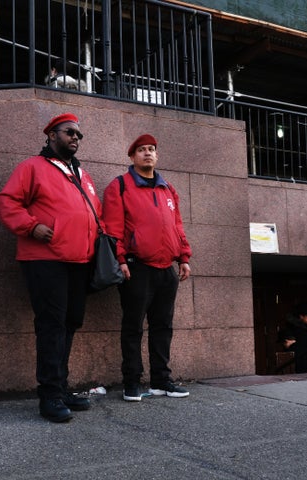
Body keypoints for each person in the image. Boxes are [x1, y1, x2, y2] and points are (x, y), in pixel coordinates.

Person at [0, 113, 99, 422]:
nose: (75, 138)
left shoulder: (83, 175)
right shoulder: (32, 167)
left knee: (69, 324)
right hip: (45, 259)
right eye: (69, 132)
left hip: (80, 260)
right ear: (51, 135)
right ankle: (50, 395)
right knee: (52, 326)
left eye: (79, 135)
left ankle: (61, 387)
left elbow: (94, 213)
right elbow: (7, 202)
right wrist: (31, 226)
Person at [101, 134, 193, 402]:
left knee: (163, 326)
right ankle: (132, 382)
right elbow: (112, 229)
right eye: (141, 150)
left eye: (152, 149)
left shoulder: (168, 189)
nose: (147, 153)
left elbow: (177, 226)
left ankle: (161, 381)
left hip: (166, 269)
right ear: (132, 157)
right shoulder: (119, 187)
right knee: (133, 327)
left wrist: (184, 257)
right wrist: (120, 260)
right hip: (136, 267)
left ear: (157, 155)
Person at [279, 302, 307, 373]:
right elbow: (290, 347)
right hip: (298, 367)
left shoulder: (302, 328)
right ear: (301, 316)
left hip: (304, 366)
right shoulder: (292, 329)